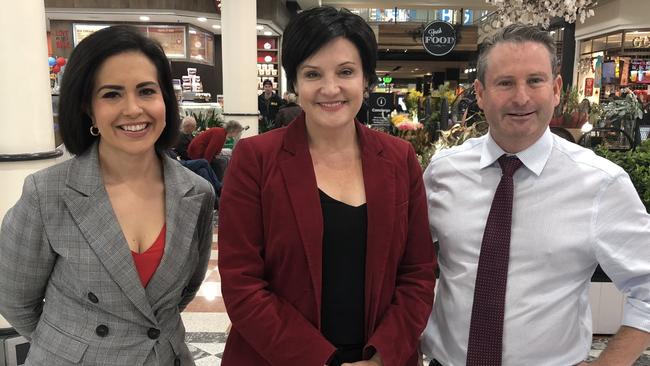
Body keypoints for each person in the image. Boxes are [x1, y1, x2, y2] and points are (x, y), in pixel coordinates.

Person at [421, 23, 650, 366]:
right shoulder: (443, 172)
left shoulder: (601, 183)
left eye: (535, 80)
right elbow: (404, 266)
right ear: (480, 93)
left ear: (556, 89)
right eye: (505, 83)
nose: (521, 97)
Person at [218, 6, 436, 366]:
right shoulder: (256, 159)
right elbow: (242, 283)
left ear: (366, 79)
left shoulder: (399, 159)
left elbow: (418, 272)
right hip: (278, 357)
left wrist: (382, 355)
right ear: (295, 82)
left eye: (346, 72)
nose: (330, 88)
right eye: (312, 74)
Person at [0, 25, 215, 365]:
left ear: (165, 100)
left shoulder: (196, 193)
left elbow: (183, 291)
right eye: (112, 94)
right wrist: (72, 344)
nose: (133, 109)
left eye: (146, 91)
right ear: (88, 107)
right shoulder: (48, 193)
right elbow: (14, 298)